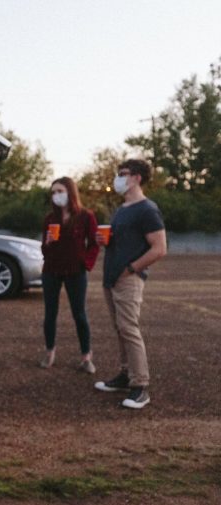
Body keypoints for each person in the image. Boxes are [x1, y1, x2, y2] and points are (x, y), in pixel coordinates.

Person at [94, 159, 166, 410]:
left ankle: (140, 387)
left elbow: (160, 248)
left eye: (123, 174)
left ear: (136, 177)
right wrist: (105, 240)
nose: (118, 178)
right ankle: (126, 375)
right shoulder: (123, 208)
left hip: (128, 279)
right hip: (111, 277)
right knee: (120, 329)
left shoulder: (147, 209)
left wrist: (132, 268)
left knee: (129, 329)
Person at [39, 176, 100, 372]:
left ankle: (86, 357)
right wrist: (47, 242)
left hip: (75, 271)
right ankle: (49, 352)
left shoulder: (85, 216)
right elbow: (44, 250)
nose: (56, 195)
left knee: (79, 314)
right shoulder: (50, 219)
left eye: (60, 191)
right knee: (50, 313)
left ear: (70, 192)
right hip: (51, 270)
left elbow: (94, 244)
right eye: (53, 192)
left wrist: (86, 263)